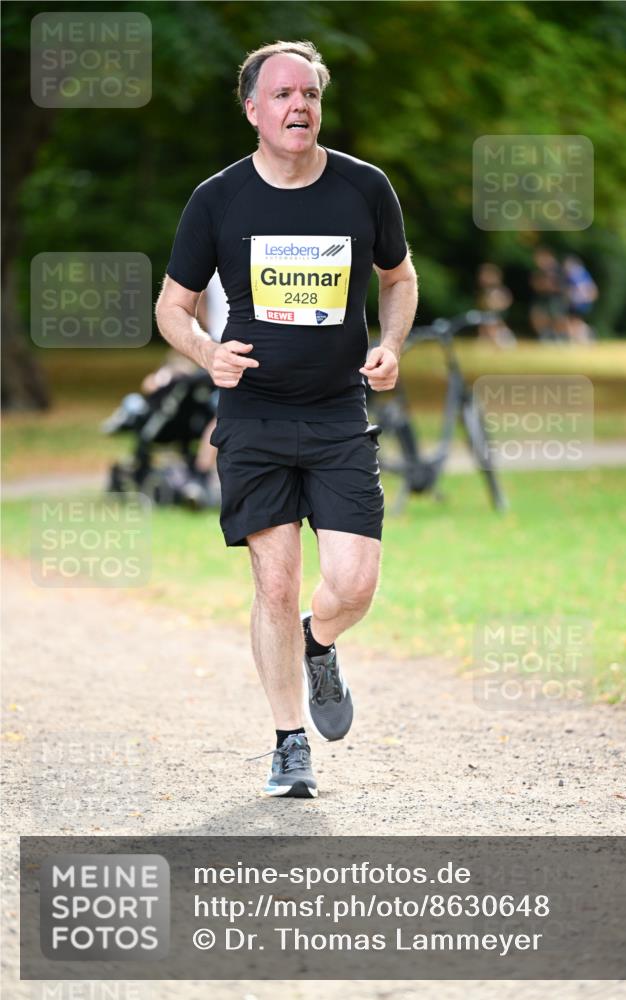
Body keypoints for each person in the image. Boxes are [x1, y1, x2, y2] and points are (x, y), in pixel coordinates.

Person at [155, 40, 418, 799]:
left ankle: (319, 640)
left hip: (338, 413)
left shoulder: (364, 187)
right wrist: (208, 353)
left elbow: (399, 278)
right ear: (252, 110)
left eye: (309, 94)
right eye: (282, 94)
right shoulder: (218, 198)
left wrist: (391, 344)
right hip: (255, 417)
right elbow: (171, 307)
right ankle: (288, 742)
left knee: (353, 583)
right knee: (274, 583)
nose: (298, 105)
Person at [529, 247, 568, 343]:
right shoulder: (539, 271)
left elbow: (564, 286)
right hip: (543, 297)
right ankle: (545, 335)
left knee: (557, 318)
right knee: (537, 316)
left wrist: (550, 286)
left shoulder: (558, 270)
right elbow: (535, 284)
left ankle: (561, 337)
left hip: (556, 298)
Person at [475, 262, 516, 348]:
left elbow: (506, 302)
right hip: (488, 316)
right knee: (485, 321)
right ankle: (487, 339)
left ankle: (500, 340)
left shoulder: (498, 291)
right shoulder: (484, 292)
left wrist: (496, 305)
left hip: (496, 316)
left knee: (492, 322)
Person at [562, 254, 598, 343]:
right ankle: (582, 337)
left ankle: (586, 335)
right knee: (574, 322)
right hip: (579, 302)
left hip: (579, 303)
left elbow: (587, 289)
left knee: (573, 321)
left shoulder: (576, 274)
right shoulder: (583, 273)